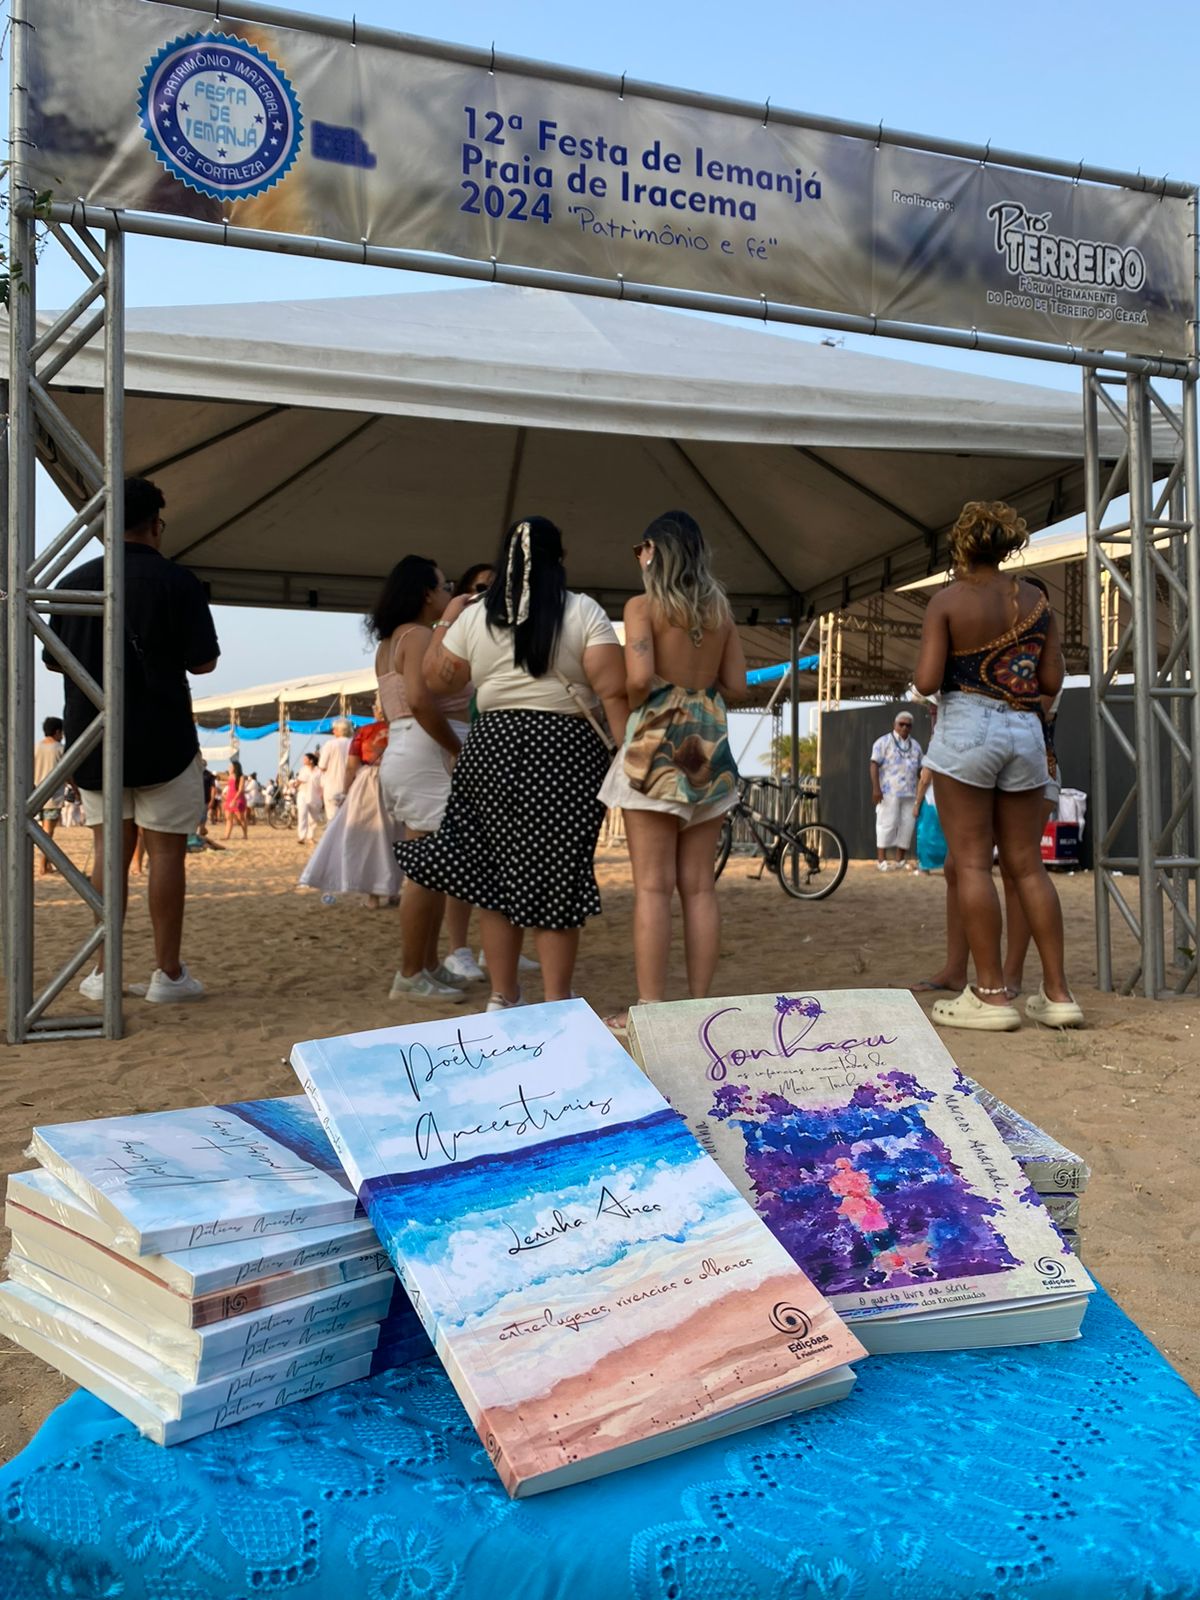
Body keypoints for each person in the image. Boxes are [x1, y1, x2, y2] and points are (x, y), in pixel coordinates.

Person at [400, 517, 627, 1011]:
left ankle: (503, 996)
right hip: (566, 750)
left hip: (493, 746)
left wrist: (446, 621)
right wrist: (624, 753)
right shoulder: (582, 609)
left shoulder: (476, 616)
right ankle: (557, 999)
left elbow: (438, 679)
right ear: (559, 559)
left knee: (495, 878)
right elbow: (612, 688)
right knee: (558, 876)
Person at [45, 475, 219, 1002]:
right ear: (155, 525)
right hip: (165, 737)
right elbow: (203, 662)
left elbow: (55, 659)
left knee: (108, 852)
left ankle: (104, 972)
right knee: (166, 854)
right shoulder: (179, 582)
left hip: (93, 737)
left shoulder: (75, 581)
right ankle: (167, 974)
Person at [915, 499, 1082, 1030]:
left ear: (963, 547)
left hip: (967, 728)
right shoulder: (1036, 600)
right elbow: (1050, 680)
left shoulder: (947, 601)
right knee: (1027, 865)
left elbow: (926, 680)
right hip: (1025, 733)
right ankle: (1057, 994)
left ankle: (990, 996)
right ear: (1008, 545)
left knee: (970, 863)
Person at [598, 511, 746, 1029]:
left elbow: (638, 678)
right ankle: (701, 1002)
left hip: (656, 748)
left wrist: (645, 689)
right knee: (699, 887)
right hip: (708, 747)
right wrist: (697, 685)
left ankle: (652, 1006)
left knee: (653, 887)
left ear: (654, 551)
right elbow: (738, 684)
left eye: (640, 549)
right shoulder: (720, 611)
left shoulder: (643, 607)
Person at [373, 555, 470, 1002]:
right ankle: (412, 972)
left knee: (430, 865)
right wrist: (456, 748)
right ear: (427, 593)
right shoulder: (419, 636)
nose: (449, 591)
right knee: (427, 871)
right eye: (444, 585)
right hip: (426, 750)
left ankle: (427, 964)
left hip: (407, 747)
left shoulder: (391, 640)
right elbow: (419, 699)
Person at [437, 562, 499, 987]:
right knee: (463, 852)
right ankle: (457, 947)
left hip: (493, 748)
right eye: (479, 588)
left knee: (499, 854)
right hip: (462, 746)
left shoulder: (502, 635)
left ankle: (493, 947)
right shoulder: (453, 637)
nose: (486, 596)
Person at [301, 717, 403, 906]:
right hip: (398, 781)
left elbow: (351, 767)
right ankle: (392, 890)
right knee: (395, 835)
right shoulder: (403, 727)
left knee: (370, 837)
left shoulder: (364, 732)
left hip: (368, 784)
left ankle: (373, 896)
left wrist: (346, 792)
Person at [869, 710, 923, 869]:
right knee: (887, 823)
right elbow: (874, 764)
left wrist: (922, 790)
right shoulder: (883, 742)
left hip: (910, 792)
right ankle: (881, 860)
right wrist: (876, 789)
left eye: (908, 725)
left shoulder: (916, 746)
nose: (904, 727)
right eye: (901, 724)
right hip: (888, 791)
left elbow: (921, 770)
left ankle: (900, 859)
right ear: (895, 724)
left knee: (907, 825)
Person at [32, 717, 66, 875]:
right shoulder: (60, 749)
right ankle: (43, 865)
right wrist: (75, 789)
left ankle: (46, 864)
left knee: (40, 830)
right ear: (57, 731)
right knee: (48, 831)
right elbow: (67, 772)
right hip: (53, 796)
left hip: (35, 795)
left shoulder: (35, 747)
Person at [318, 718, 354, 811]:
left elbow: (322, 766)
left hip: (332, 786)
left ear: (340, 730)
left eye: (334, 729)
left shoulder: (330, 744)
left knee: (332, 815)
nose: (333, 731)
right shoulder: (354, 743)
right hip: (351, 785)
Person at [296, 752, 324, 844]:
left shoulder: (318, 771)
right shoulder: (303, 769)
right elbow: (299, 781)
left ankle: (310, 837)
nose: (303, 760)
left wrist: (322, 795)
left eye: (305, 759)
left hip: (315, 795)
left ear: (311, 760)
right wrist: (295, 784)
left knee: (313, 818)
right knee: (302, 815)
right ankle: (301, 837)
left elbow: (322, 784)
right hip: (303, 794)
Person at [223, 759, 250, 841]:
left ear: (235, 768)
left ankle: (245, 835)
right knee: (228, 818)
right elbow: (229, 788)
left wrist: (234, 800)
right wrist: (225, 796)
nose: (229, 768)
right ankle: (226, 836)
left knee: (240, 818)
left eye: (231, 767)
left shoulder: (241, 777)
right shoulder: (230, 776)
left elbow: (240, 790)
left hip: (238, 799)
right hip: (229, 799)